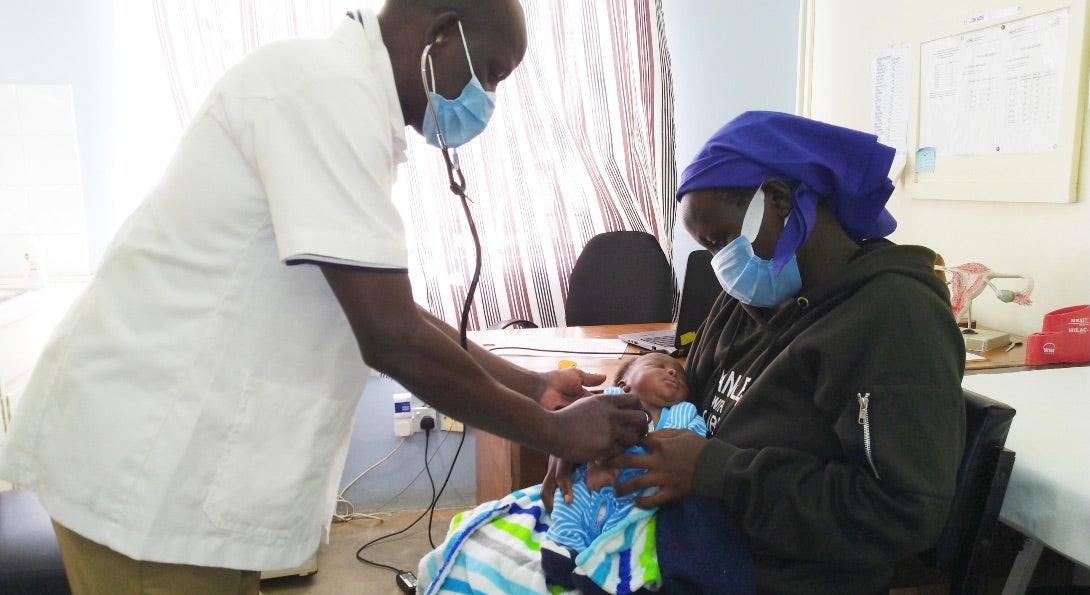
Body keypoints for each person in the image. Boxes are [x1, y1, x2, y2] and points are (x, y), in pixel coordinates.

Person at [0, 2, 649, 593]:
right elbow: (390, 333)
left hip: (181, 472)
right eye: (490, 73)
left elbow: (391, 309)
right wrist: (552, 429)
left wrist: (536, 386)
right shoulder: (323, 95)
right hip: (150, 472)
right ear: (440, 35)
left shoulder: (341, 102)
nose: (487, 100)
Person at [602, 111, 967, 593]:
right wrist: (625, 405)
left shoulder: (892, 318)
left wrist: (716, 471)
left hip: (775, 574)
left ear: (777, 201)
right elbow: (690, 406)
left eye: (721, 242)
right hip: (697, 536)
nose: (721, 265)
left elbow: (900, 514)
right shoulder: (746, 303)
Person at [542, 353, 707, 594]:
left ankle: (606, 572)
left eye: (679, 374)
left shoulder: (685, 412)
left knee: (639, 532)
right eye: (657, 367)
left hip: (641, 493)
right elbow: (585, 430)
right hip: (590, 481)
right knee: (568, 498)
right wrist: (596, 456)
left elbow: (695, 440)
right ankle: (564, 545)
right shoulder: (611, 401)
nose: (672, 372)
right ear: (624, 384)